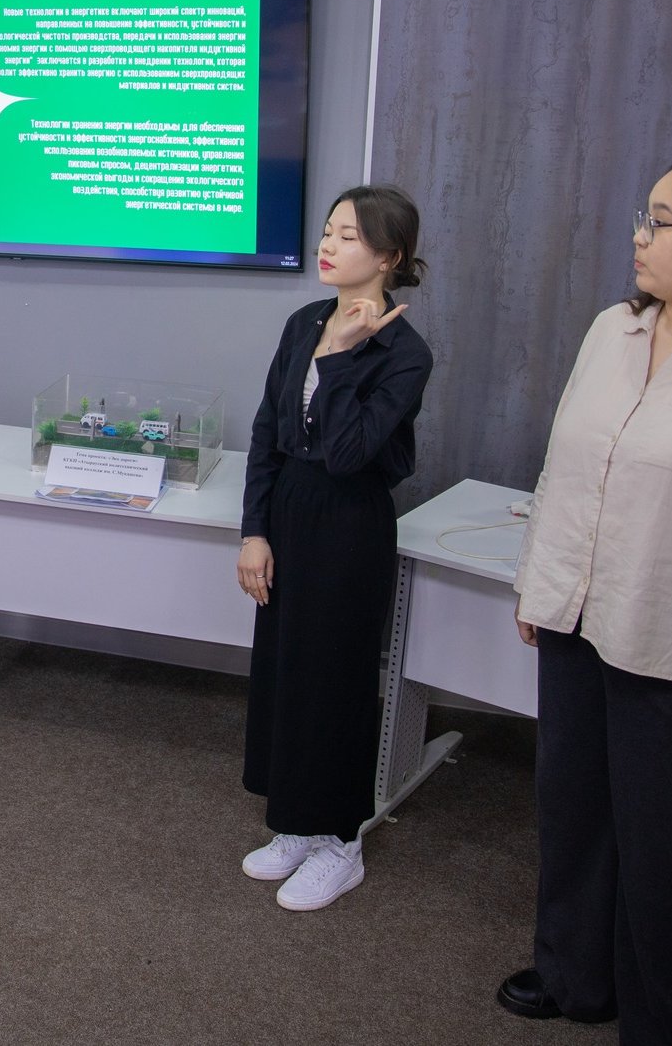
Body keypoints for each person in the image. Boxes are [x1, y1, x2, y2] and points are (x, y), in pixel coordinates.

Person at [498, 156, 672, 1043]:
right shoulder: (611, 328)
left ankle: (659, 1018)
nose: (638, 238)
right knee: (571, 802)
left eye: (659, 220)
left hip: (667, 631)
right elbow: (563, 465)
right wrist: (538, 579)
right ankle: (573, 973)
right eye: (640, 218)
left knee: (661, 840)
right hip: (576, 609)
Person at [236, 185, 432, 911]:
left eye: (348, 236)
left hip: (348, 524)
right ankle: (298, 822)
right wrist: (254, 530)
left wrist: (345, 357)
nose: (327, 245)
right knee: (285, 671)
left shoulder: (404, 353)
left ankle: (341, 842)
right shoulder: (303, 322)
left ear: (388, 257)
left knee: (335, 681)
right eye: (327, 231)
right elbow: (268, 430)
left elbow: (348, 455)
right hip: (288, 510)